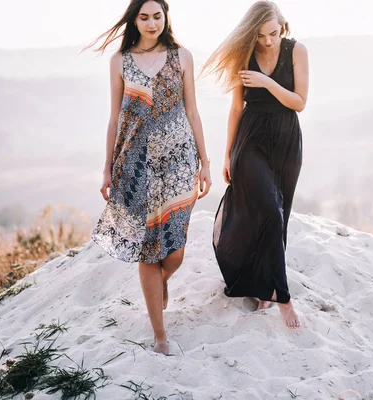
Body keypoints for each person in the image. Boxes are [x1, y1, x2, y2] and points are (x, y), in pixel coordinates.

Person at [88, 0, 211, 354]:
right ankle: (160, 336)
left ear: (165, 17)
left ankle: (160, 283)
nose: (152, 23)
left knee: (173, 254)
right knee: (147, 251)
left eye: (158, 16)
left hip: (179, 163)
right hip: (135, 164)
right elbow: (115, 119)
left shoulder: (182, 56)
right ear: (134, 20)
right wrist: (107, 167)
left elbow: (193, 111)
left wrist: (204, 161)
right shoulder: (120, 61)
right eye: (144, 17)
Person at [202, 0, 309, 329]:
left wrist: (267, 83)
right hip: (250, 142)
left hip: (286, 142)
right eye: (261, 35)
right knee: (268, 210)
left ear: (282, 25)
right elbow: (236, 109)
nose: (268, 41)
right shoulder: (244, 55)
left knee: (280, 214)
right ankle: (283, 298)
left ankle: (264, 286)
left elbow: (300, 102)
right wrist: (227, 153)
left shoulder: (297, 50)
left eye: (273, 33)